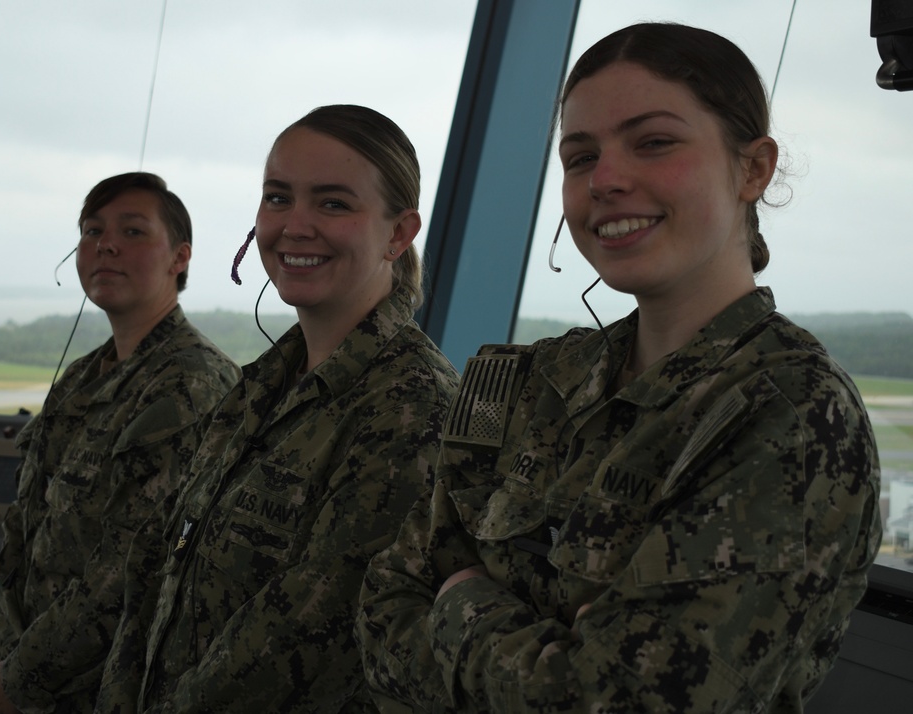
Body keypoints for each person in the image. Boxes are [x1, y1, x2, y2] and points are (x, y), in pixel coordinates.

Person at [357, 22, 882, 713]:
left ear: (752, 168)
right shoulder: (517, 381)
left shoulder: (793, 417)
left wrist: (460, 600)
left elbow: (617, 702)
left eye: (654, 143)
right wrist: (543, 651)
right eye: (580, 157)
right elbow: (381, 618)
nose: (605, 180)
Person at [94, 105, 459, 713]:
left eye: (334, 203)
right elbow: (155, 572)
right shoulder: (261, 388)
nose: (295, 225)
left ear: (398, 234)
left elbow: (302, 641)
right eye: (278, 198)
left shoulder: (411, 406)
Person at [0, 172, 241, 713]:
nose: (105, 244)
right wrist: (13, 656)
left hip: (112, 691)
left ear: (180, 258)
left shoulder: (191, 383)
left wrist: (24, 675)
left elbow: (132, 569)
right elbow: (25, 527)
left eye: (133, 231)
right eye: (92, 230)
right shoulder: (83, 377)